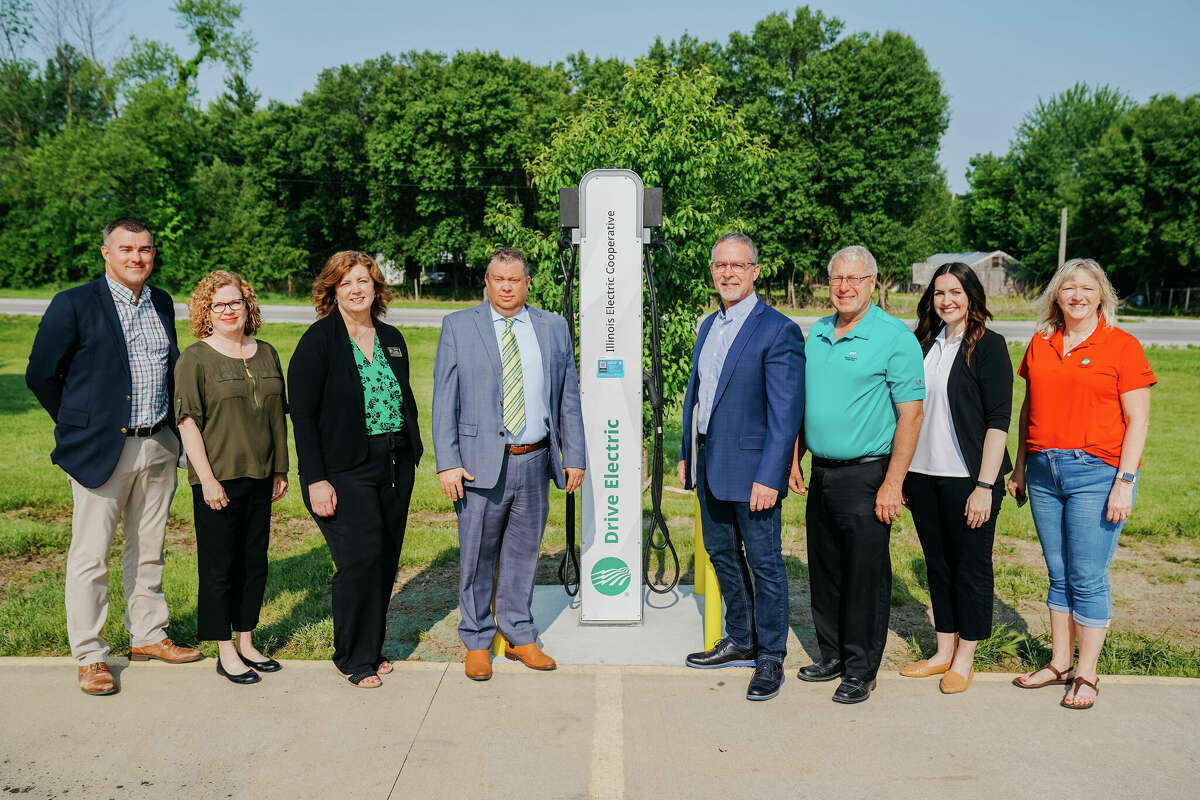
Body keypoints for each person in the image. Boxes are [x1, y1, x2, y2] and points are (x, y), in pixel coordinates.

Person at [25, 218, 202, 696]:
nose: (136, 257)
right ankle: (90, 655)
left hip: (158, 443)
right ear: (106, 253)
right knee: (91, 556)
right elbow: (41, 375)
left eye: (145, 249)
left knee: (149, 549)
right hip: (99, 450)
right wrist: (78, 425)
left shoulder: (161, 301)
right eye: (126, 248)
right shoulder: (74, 304)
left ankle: (148, 635)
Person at [433, 247, 585, 682]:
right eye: (497, 278)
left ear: (526, 283)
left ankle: (519, 635)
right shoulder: (459, 326)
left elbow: (567, 397)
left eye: (514, 279)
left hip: (534, 459)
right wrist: (448, 462)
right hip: (481, 465)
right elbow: (445, 400)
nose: (505, 286)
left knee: (522, 555)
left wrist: (573, 455)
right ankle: (477, 640)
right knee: (477, 556)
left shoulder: (552, 327)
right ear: (486, 280)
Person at [1008, 258, 1154, 710]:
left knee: (1087, 577)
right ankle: (1059, 664)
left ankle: (1087, 674)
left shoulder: (1122, 346)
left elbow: (1139, 421)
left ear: (1101, 296)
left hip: (1097, 472)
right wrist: (1019, 468)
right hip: (1044, 473)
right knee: (1058, 573)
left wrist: (1125, 482)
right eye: (1068, 287)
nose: (1077, 295)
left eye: (1087, 288)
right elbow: (1028, 411)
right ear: (1056, 295)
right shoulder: (1041, 342)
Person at [790, 245, 925, 704]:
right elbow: (807, 406)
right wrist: (795, 458)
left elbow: (911, 415)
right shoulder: (819, 332)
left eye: (854, 279)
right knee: (824, 569)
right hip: (823, 473)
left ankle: (860, 668)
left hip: (869, 475)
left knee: (864, 575)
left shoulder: (893, 337)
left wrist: (893, 483)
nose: (843, 288)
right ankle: (831, 654)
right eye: (836, 280)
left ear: (872, 283)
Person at [677, 232, 805, 702]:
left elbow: (786, 412)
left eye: (737, 265)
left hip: (754, 472)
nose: (727, 273)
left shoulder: (778, 329)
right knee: (723, 556)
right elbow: (699, 396)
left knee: (766, 564)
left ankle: (770, 656)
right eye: (720, 266)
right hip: (710, 461)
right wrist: (688, 452)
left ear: (754, 271)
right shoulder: (709, 325)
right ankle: (741, 638)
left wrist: (771, 475)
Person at [288, 251, 423, 688]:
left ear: (376, 287)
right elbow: (303, 416)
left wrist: (413, 451)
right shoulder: (319, 341)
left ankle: (372, 648)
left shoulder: (391, 337)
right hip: (345, 468)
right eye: (346, 283)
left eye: (363, 280)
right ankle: (351, 656)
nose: (356, 289)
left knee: (384, 560)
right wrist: (315, 478)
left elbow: (403, 397)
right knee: (359, 559)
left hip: (396, 464)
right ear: (332, 291)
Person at [898, 262, 1013, 694]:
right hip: (924, 476)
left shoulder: (988, 346)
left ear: (971, 297)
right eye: (940, 293)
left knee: (971, 568)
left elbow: (998, 422)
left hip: (969, 479)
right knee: (938, 565)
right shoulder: (922, 343)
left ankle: (965, 659)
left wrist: (984, 487)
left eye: (956, 292)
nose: (947, 300)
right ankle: (942, 651)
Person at [175, 271, 289, 685]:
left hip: (261, 476)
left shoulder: (267, 353)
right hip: (217, 479)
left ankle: (246, 640)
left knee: (254, 564)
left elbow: (277, 416)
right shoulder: (195, 358)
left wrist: (280, 468)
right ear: (206, 311)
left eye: (235, 302)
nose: (227, 310)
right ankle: (224, 650)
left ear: (247, 307)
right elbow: (187, 423)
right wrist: (206, 479)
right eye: (218, 304)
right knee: (220, 566)